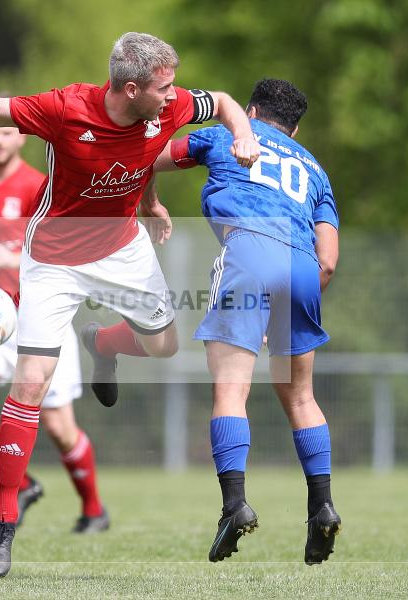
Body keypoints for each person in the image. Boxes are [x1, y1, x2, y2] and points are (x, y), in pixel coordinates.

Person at [0, 31, 260, 577]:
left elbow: (227, 105)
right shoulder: (65, 107)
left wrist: (242, 139)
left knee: (164, 346)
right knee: (30, 384)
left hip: (122, 248)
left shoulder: (172, 103)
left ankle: (105, 344)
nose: (174, 96)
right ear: (131, 87)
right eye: (163, 87)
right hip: (52, 260)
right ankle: (3, 524)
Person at [152, 79, 341, 565]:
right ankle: (321, 507)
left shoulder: (223, 134)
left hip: (248, 251)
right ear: (296, 127)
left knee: (231, 390)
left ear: (250, 110)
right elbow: (330, 261)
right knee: (301, 396)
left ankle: (233, 506)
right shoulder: (315, 169)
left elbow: (148, 158)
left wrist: (147, 203)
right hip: (303, 267)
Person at [0, 123, 109, 533]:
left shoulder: (39, 185)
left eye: (6, 134)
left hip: (39, 320)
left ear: (20, 139)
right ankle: (22, 483)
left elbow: (63, 244)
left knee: (59, 428)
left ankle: (93, 510)